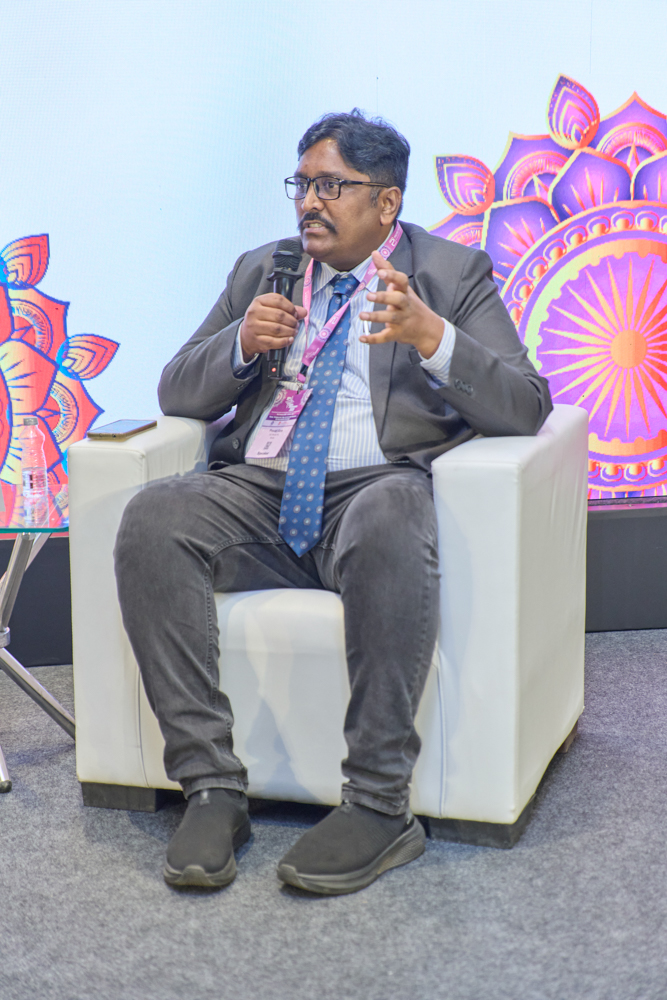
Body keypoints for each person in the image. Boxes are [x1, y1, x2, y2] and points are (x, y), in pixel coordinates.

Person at [114, 109, 552, 895]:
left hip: (372, 486)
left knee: (393, 513)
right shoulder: (262, 269)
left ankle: (379, 806)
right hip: (259, 489)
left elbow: (525, 404)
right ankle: (211, 788)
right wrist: (240, 343)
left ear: (386, 202)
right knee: (152, 517)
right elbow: (175, 391)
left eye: (330, 186)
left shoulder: (450, 273)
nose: (308, 203)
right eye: (302, 184)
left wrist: (431, 337)